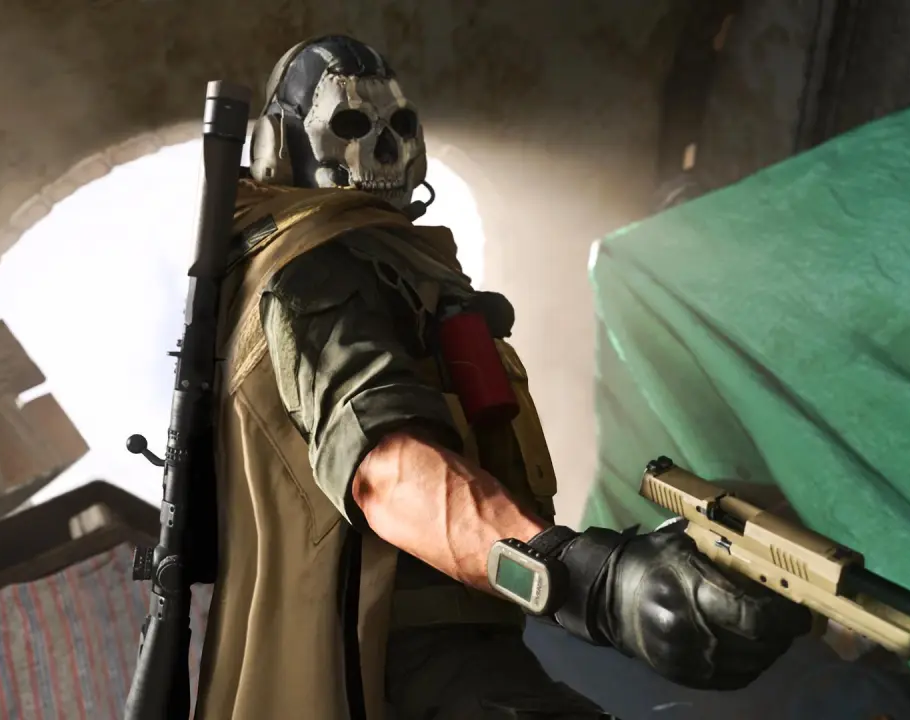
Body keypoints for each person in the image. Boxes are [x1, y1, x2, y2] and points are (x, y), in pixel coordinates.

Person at [194, 35, 812, 720]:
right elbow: (386, 472)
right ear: (281, 147)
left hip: (460, 641)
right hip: (386, 661)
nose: (386, 149)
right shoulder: (316, 266)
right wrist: (592, 584)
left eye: (400, 125)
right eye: (350, 125)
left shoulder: (383, 264)